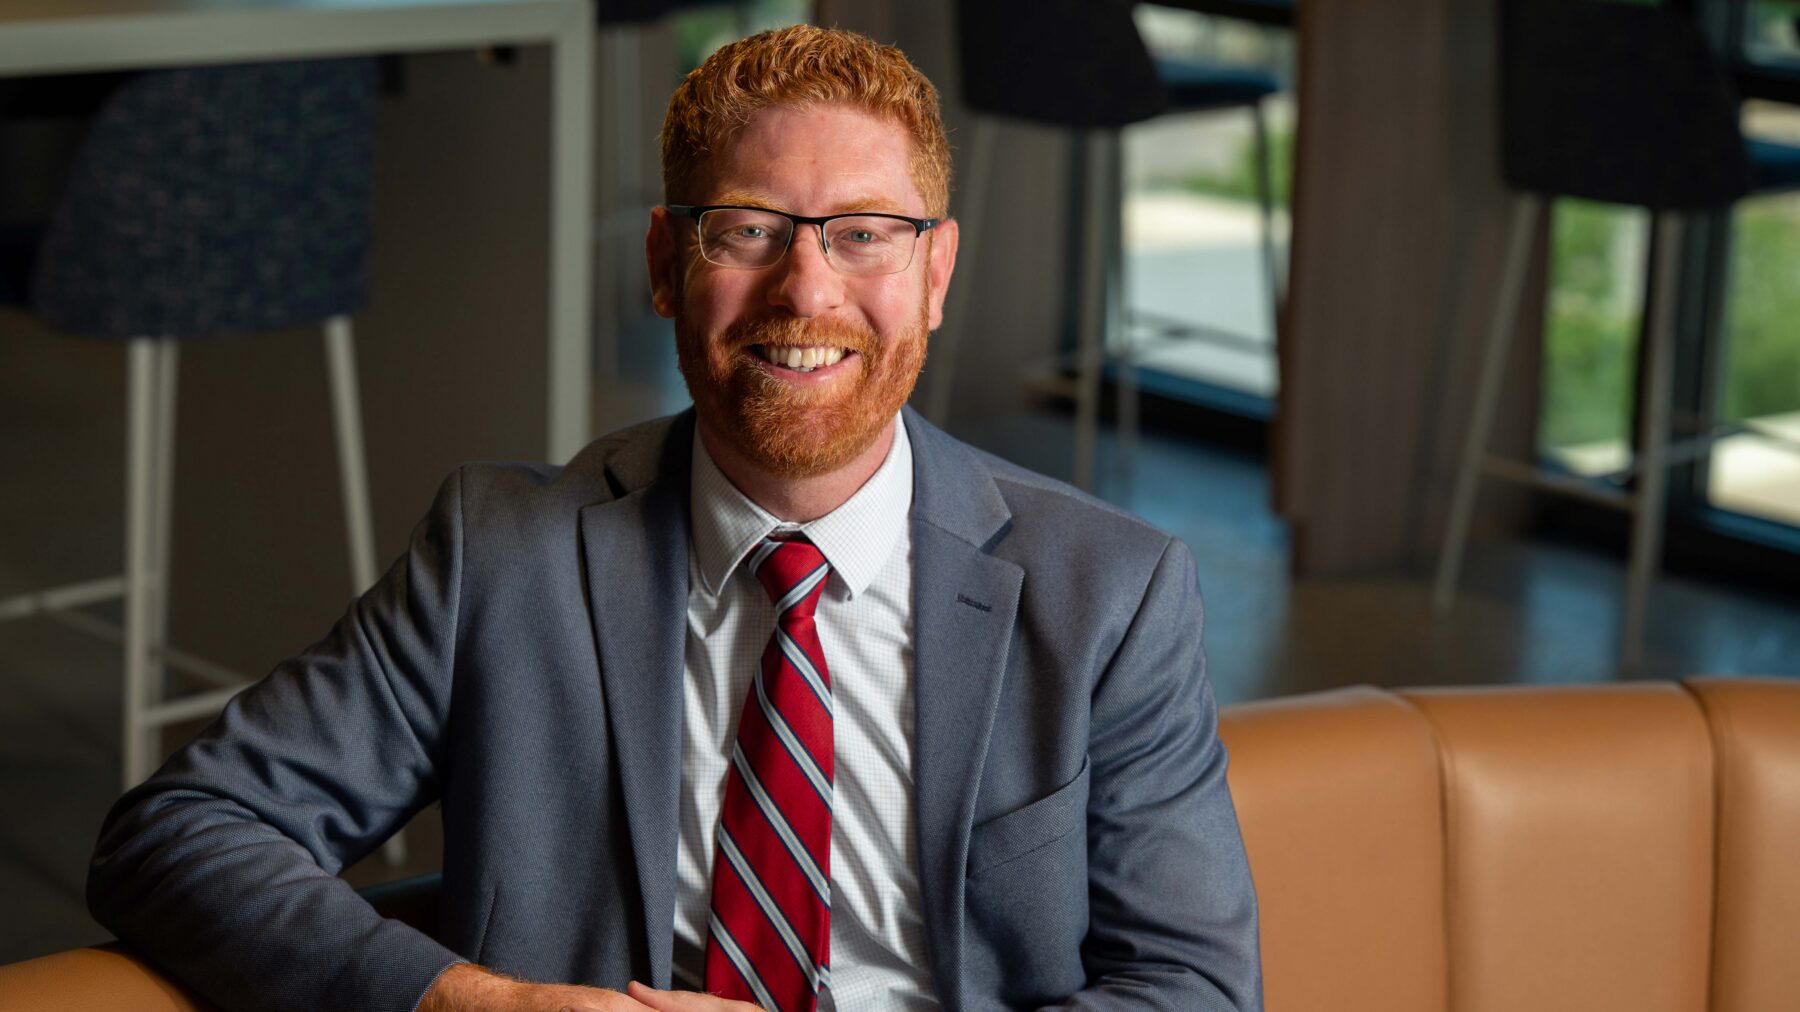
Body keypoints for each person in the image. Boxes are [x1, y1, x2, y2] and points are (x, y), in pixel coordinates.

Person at [87, 25, 1260, 1012]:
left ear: (936, 274)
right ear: (665, 261)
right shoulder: (500, 554)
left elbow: (1194, 988)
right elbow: (178, 831)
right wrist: (473, 1004)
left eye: (864, 233)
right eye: (748, 228)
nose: (807, 290)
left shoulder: (1110, 592)